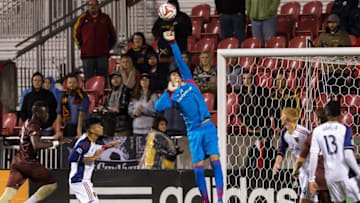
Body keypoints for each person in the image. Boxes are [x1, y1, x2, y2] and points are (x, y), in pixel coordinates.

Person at [155, 30, 224, 203]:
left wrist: (173, 43)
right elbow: (158, 107)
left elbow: (179, 59)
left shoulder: (190, 81)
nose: (176, 76)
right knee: (199, 168)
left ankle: (221, 199)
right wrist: (167, 91)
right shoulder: (173, 97)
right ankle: (207, 201)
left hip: (208, 127)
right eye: (172, 76)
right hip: (194, 133)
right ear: (171, 82)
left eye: (177, 74)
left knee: (216, 161)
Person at [0, 101, 71, 203]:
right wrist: (56, 143)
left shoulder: (27, 122)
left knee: (8, 194)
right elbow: (36, 145)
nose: (47, 115)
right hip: (28, 162)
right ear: (37, 113)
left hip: (17, 161)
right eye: (45, 112)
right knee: (51, 184)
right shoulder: (34, 126)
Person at [309, 100, 360, 203]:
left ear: (326, 113)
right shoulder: (345, 129)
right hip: (344, 174)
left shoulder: (317, 131)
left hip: (330, 176)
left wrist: (311, 179)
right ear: (340, 114)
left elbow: (313, 157)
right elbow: (348, 155)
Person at [272, 107, 317, 203]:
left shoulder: (302, 132)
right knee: (312, 199)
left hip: (311, 168)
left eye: (282, 115)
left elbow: (316, 144)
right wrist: (277, 163)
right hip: (301, 169)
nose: (280, 117)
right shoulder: (284, 132)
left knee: (305, 199)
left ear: (287, 117)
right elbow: (282, 149)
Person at [68, 117, 118, 203]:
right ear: (91, 130)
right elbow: (72, 157)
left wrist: (107, 146)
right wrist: (93, 158)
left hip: (82, 180)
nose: (102, 127)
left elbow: (94, 149)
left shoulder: (90, 142)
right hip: (80, 180)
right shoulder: (84, 143)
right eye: (99, 126)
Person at [293, 108, 331, 203]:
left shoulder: (314, 134)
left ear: (318, 119)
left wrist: (295, 171)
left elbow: (301, 159)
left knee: (305, 200)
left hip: (316, 178)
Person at [73, 0, 116, 82]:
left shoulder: (105, 18)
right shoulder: (82, 19)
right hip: (87, 55)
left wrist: (108, 47)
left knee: (103, 79)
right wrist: (82, 46)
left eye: (95, 4)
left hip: (102, 55)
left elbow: (113, 34)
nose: (93, 6)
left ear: (98, 6)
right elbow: (76, 34)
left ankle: (103, 95)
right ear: (87, 6)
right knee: (89, 79)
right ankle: (90, 95)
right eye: (90, 5)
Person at [152, 0, 192, 70]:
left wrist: (176, 29)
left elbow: (189, 31)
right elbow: (155, 31)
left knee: (178, 72)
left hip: (179, 50)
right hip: (164, 51)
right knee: (164, 72)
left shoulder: (183, 17)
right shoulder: (161, 18)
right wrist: (166, 31)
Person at [128, 73, 158, 160]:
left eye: (146, 79)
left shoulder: (153, 96)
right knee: (138, 153)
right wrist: (134, 113)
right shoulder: (135, 95)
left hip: (149, 129)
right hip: (137, 129)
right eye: (142, 80)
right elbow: (129, 110)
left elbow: (156, 112)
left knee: (149, 152)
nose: (144, 82)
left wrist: (144, 111)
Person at [55, 73, 90, 139]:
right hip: (68, 127)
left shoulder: (82, 96)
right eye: (70, 82)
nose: (72, 85)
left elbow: (81, 114)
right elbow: (59, 115)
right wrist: (58, 131)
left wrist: (79, 132)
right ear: (67, 84)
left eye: (74, 82)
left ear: (77, 83)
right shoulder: (64, 97)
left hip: (81, 127)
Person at [238, 70, 272, 137]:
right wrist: (247, 123)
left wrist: (265, 125)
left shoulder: (263, 91)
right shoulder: (242, 95)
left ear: (252, 79)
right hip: (250, 128)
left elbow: (268, 108)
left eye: (248, 78)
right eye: (244, 78)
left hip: (263, 127)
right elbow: (240, 112)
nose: (246, 81)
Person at [103, 71, 133, 137]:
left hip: (124, 126)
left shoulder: (127, 91)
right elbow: (106, 106)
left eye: (117, 77)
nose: (115, 80)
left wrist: (119, 109)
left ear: (121, 79)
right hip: (111, 126)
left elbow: (130, 108)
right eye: (113, 78)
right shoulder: (110, 93)